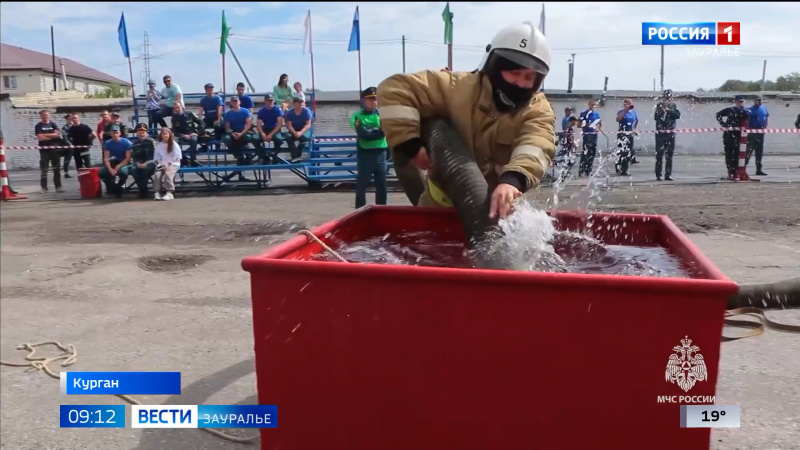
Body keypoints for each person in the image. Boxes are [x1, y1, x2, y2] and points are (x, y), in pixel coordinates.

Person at [377, 21, 555, 220]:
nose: (520, 83)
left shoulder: (537, 109)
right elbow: (395, 90)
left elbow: (537, 143)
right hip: (437, 210)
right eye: (514, 73)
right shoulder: (457, 87)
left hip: (500, 214)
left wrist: (512, 181)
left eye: (529, 77)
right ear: (494, 65)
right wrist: (409, 144)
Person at [350, 87, 389, 209]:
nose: (374, 102)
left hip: (381, 154)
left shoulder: (383, 115)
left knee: (382, 186)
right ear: (364, 100)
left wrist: (373, 131)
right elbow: (363, 134)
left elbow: (384, 132)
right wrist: (377, 131)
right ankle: (359, 212)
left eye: (376, 99)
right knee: (362, 186)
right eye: (370, 99)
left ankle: (382, 211)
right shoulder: (357, 116)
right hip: (365, 154)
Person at [223, 96, 263, 176]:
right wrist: (232, 133)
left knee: (248, 137)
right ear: (231, 103)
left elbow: (248, 125)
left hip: (244, 131)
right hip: (234, 132)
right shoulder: (228, 114)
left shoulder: (245, 111)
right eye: (233, 101)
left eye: (236, 101)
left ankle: (244, 157)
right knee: (226, 139)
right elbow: (227, 127)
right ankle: (238, 155)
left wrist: (241, 133)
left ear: (239, 102)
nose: (235, 103)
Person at [716, 95, 750, 179]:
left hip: (740, 135)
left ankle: (737, 171)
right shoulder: (730, 110)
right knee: (729, 153)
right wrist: (724, 124)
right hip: (729, 134)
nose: (740, 103)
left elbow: (747, 115)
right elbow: (718, 115)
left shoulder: (746, 111)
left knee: (739, 153)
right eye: (739, 101)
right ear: (735, 102)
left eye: (742, 101)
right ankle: (730, 172)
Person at [34, 109, 66, 193]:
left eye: (47, 115)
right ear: (41, 116)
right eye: (44, 115)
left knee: (57, 169)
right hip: (44, 151)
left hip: (55, 150)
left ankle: (58, 187)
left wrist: (45, 135)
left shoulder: (53, 124)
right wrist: (52, 136)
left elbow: (57, 135)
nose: (46, 116)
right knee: (44, 170)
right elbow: (40, 137)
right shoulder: (38, 125)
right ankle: (44, 188)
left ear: (49, 115)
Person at [654, 89, 681, 181]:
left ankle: (668, 174)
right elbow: (656, 117)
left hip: (670, 133)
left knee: (669, 155)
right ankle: (658, 174)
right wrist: (662, 111)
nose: (668, 98)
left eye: (669, 97)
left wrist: (668, 110)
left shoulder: (673, 106)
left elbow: (677, 116)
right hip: (660, 134)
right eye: (666, 96)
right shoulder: (659, 105)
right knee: (659, 154)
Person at [99, 125, 132, 198]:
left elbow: (128, 158)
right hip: (112, 162)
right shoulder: (107, 143)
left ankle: (120, 185)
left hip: (123, 162)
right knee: (102, 172)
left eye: (116, 133)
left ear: (120, 133)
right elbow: (106, 158)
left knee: (123, 171)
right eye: (113, 133)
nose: (115, 135)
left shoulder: (126, 143)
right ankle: (112, 187)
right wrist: (110, 168)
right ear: (111, 134)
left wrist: (118, 166)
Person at [127, 123, 157, 198]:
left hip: (151, 163)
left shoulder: (152, 142)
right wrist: (137, 164)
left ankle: (143, 190)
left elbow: (156, 156)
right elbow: (134, 156)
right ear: (137, 132)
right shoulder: (135, 143)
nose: (142, 133)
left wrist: (146, 163)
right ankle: (143, 189)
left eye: (143, 131)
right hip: (139, 163)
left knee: (145, 170)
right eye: (140, 131)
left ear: (146, 132)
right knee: (133, 170)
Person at [153, 127, 182, 201]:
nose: (165, 135)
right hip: (162, 164)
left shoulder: (174, 144)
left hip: (174, 164)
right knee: (157, 175)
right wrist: (161, 164)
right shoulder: (159, 145)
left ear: (169, 135)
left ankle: (169, 192)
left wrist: (169, 164)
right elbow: (157, 157)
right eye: (163, 134)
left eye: (166, 134)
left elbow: (177, 157)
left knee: (168, 174)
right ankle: (157, 192)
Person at [256, 93, 285, 160]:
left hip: (275, 129)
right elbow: (259, 124)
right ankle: (263, 155)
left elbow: (280, 124)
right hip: (265, 129)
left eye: (272, 100)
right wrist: (262, 133)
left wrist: (271, 134)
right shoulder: (261, 111)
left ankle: (275, 154)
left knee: (279, 139)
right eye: (269, 100)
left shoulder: (278, 110)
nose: (270, 102)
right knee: (255, 139)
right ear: (265, 101)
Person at [614, 98, 638, 176]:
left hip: (630, 133)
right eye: (629, 103)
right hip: (622, 133)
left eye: (631, 103)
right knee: (622, 152)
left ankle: (625, 170)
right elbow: (618, 119)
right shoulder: (621, 112)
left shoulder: (633, 113)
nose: (631, 105)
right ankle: (618, 166)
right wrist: (625, 110)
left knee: (629, 152)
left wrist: (634, 129)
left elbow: (636, 121)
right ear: (625, 104)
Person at [578, 100, 602, 177]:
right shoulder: (584, 114)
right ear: (588, 105)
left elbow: (599, 124)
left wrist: (598, 128)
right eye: (592, 105)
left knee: (592, 153)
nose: (593, 106)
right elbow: (579, 125)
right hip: (586, 135)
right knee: (585, 153)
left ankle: (588, 170)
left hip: (594, 136)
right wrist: (585, 125)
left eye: (594, 105)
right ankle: (581, 170)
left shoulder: (597, 114)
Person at [285, 96, 313, 161]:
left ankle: (298, 155)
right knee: (288, 138)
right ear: (294, 104)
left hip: (303, 129)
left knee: (305, 138)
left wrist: (301, 132)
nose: (300, 104)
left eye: (301, 103)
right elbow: (289, 125)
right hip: (293, 129)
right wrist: (294, 132)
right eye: (298, 103)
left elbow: (308, 124)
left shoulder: (306, 111)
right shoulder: (290, 112)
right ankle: (294, 156)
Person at [746, 96, 769, 176]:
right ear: (754, 101)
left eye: (760, 100)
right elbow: (746, 120)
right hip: (752, 132)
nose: (759, 102)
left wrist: (765, 127)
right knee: (748, 151)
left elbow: (766, 118)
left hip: (761, 132)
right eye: (757, 100)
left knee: (759, 151)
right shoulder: (750, 109)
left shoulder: (764, 108)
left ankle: (758, 169)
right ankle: (743, 168)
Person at [60, 113, 75, 178]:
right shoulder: (65, 128)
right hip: (69, 147)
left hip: (77, 145)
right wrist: (70, 144)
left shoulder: (75, 126)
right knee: (67, 159)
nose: (70, 120)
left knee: (80, 159)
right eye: (69, 119)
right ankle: (66, 173)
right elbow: (65, 138)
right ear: (66, 120)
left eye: (71, 118)